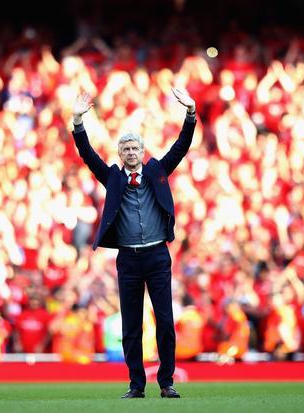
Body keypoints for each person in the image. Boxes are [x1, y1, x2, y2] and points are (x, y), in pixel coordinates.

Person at [71, 88, 196, 398]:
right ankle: (136, 385)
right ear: (120, 154)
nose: (130, 152)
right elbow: (88, 155)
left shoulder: (156, 170)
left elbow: (180, 147)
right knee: (131, 324)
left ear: (142, 151)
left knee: (165, 321)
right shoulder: (113, 177)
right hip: (128, 258)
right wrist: (77, 121)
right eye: (125, 148)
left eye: (134, 148)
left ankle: (166, 382)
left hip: (157, 255)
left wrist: (191, 114)